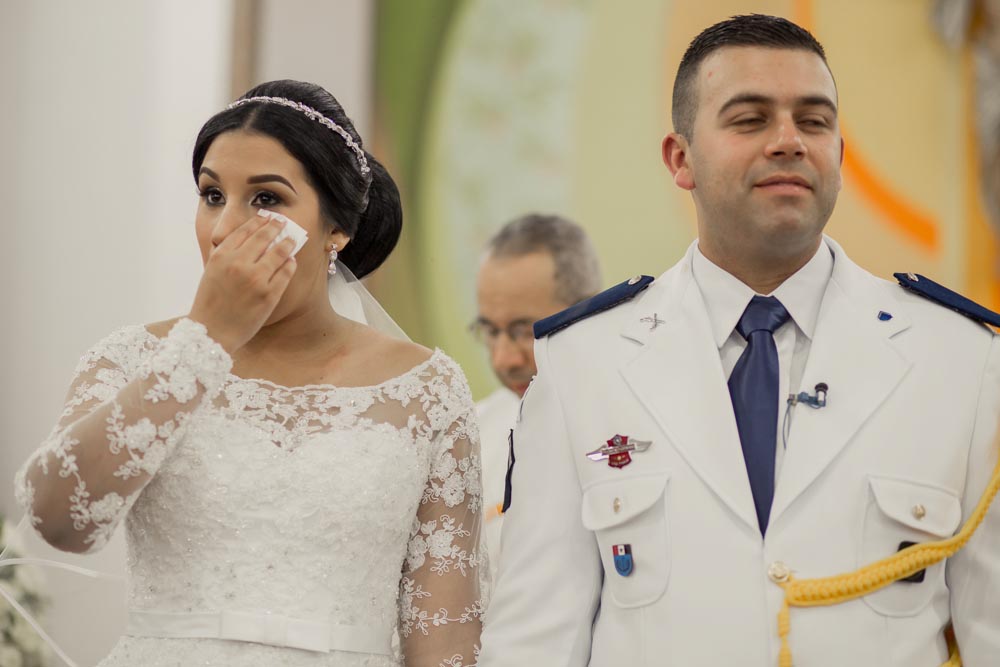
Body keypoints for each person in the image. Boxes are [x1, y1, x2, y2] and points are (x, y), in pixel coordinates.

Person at [479, 14, 1000, 667]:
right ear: (681, 159)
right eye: (750, 120)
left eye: (814, 121)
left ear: (840, 154)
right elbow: (533, 640)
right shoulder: (584, 361)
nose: (788, 141)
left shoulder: (960, 358)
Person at [13, 80, 484, 667]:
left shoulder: (427, 390)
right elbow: (58, 520)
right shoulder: (132, 359)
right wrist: (203, 342)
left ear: (336, 229)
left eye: (266, 199)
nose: (223, 230)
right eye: (212, 195)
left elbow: (445, 639)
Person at [471, 214, 601, 585]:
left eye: (523, 331)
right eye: (490, 331)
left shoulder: (635, 425)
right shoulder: (472, 434)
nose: (503, 360)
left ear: (589, 313)